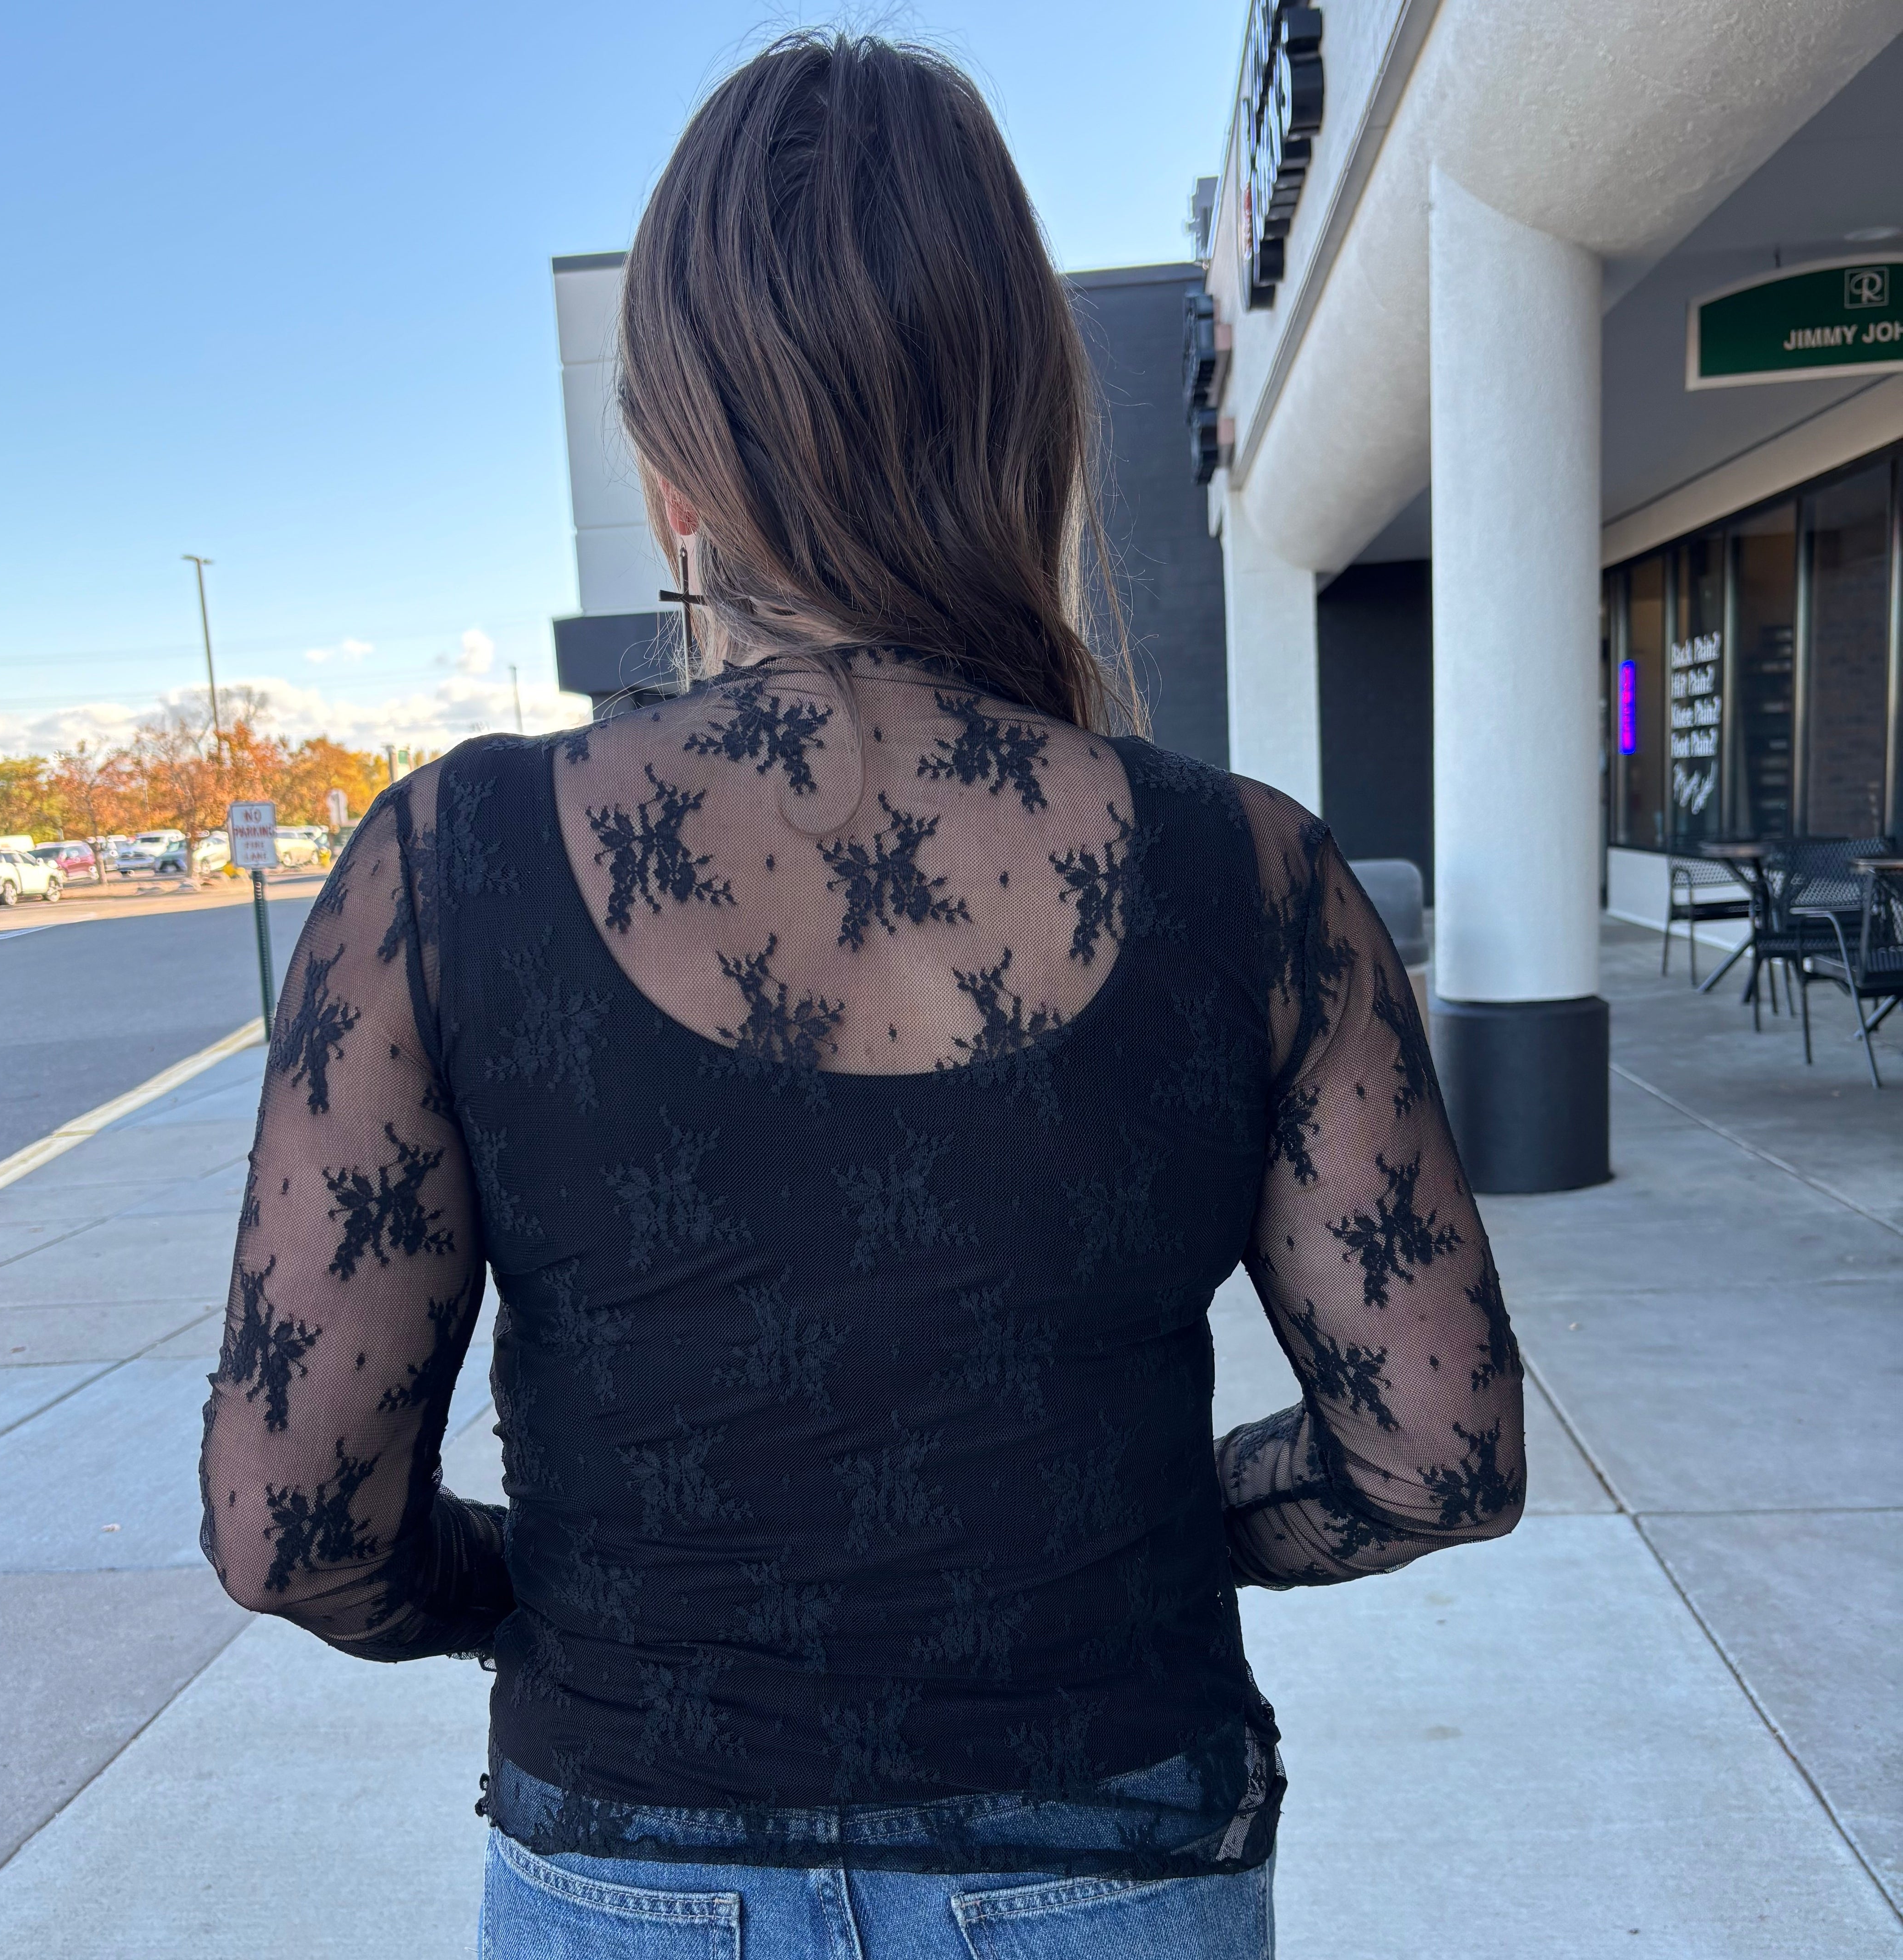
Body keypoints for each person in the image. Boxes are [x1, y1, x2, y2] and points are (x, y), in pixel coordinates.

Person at [198, 31, 1524, 1958]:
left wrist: (543, 1586)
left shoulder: (441, 865)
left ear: (671, 478)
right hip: (1112, 1858)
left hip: (629, 1862)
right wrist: (1167, 1519)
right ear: (1031, 428)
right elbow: (1437, 1455)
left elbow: (290, 1528)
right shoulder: (1251, 875)